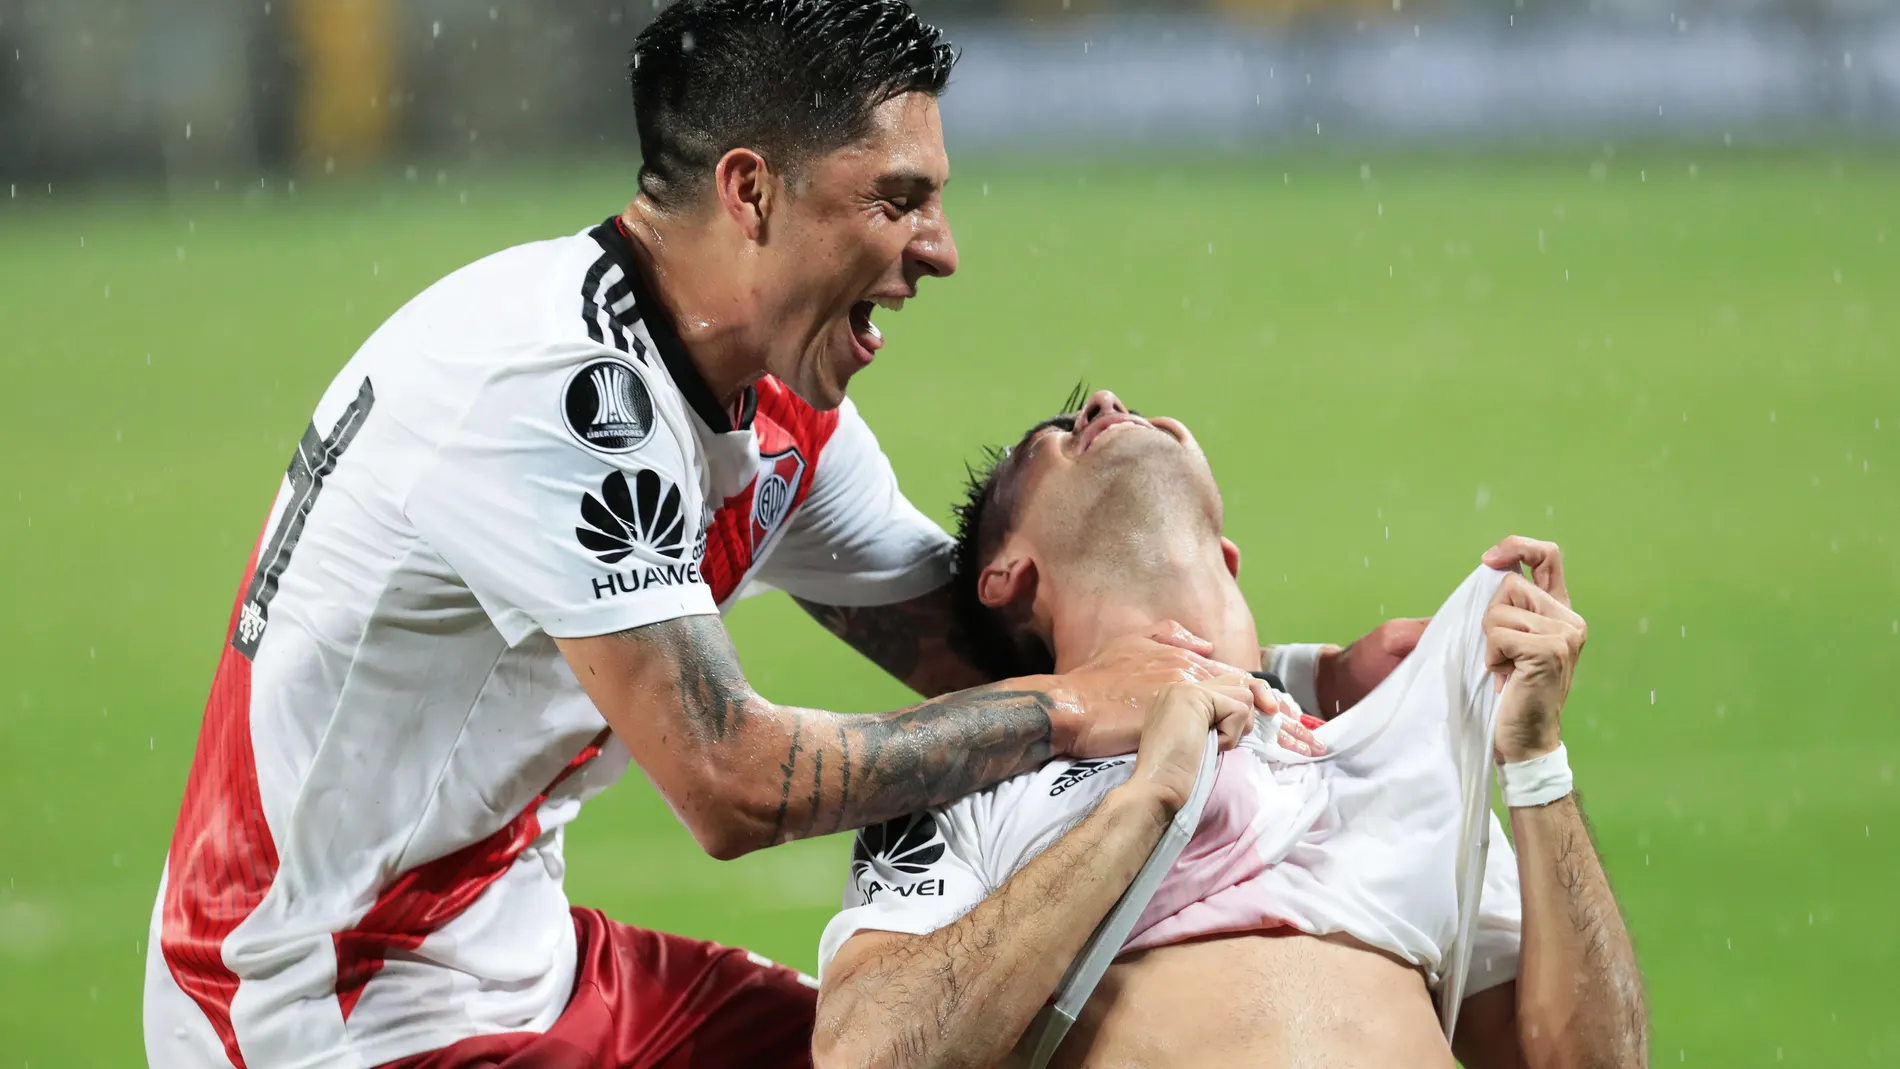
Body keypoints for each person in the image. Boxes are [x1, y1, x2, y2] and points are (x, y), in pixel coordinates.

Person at [139, 6, 1409, 1068]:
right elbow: (733, 782)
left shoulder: (777, 410)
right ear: (750, 191)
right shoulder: (557, 392)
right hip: (318, 1008)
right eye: (896, 201)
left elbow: (977, 645)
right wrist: (1081, 713)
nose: (941, 253)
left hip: (517, 950)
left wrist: (1305, 688)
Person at [813, 391, 1649, 1069]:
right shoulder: (963, 773)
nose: (1105, 401)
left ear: (1227, 552)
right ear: (1007, 577)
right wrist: (1150, 800)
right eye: (1058, 434)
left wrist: (1535, 759)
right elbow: (869, 1054)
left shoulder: (1391, 756)